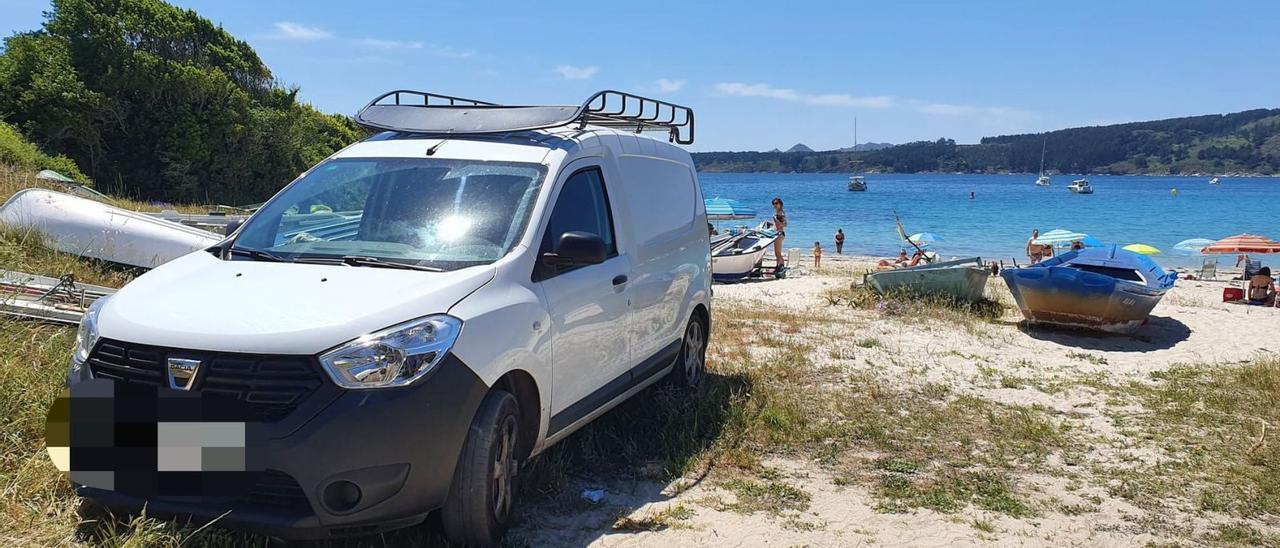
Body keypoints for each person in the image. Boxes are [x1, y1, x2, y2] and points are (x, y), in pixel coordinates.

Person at [771, 197, 787, 276]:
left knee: (778, 253)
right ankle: (778, 267)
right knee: (776, 253)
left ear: (780, 204)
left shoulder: (780, 213)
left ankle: (782, 268)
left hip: (779, 234)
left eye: (776, 203)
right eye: (774, 203)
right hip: (776, 234)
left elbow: (785, 224)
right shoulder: (777, 213)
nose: (775, 205)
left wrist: (777, 221)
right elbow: (775, 224)